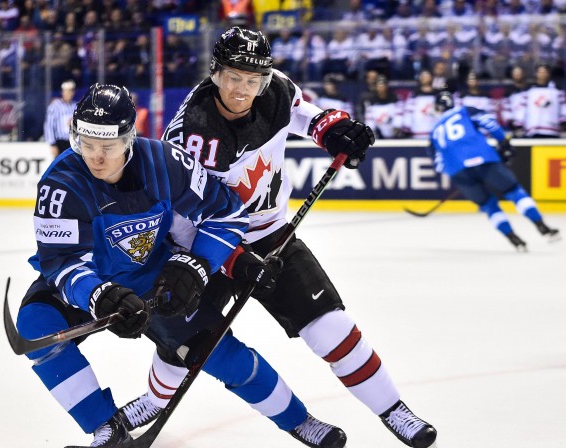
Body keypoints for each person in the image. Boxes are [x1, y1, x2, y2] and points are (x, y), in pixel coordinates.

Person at [121, 27, 438, 448]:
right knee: (184, 342)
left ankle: (394, 409)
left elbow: (306, 114)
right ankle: (153, 400)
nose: (243, 90)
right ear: (215, 73)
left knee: (331, 327)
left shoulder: (277, 91)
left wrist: (335, 130)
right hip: (205, 249)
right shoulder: (189, 134)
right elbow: (181, 215)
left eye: (253, 81)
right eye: (234, 77)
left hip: (272, 237)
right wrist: (227, 259)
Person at [16, 84, 347, 447]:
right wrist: (99, 294)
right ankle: (107, 429)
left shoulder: (165, 162)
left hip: (153, 278)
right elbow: (61, 261)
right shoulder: (60, 183)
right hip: (93, 281)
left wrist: (195, 264)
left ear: (129, 139)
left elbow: (227, 213)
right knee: (35, 327)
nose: (96, 157)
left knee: (217, 353)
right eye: (86, 144)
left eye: (108, 147)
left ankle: (300, 421)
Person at [429, 91, 560, 251]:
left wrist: (458, 172)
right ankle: (542, 226)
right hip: (483, 159)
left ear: (437, 108)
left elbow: (439, 164)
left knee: (489, 206)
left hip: (459, 171)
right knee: (513, 191)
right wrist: (503, 143)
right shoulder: (465, 111)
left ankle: (515, 240)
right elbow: (489, 123)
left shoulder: (434, 131)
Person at [44, 79, 77, 157]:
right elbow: (49, 125)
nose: (68, 93)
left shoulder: (76, 106)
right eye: (66, 91)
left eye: (70, 91)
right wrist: (52, 144)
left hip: (73, 142)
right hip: (60, 142)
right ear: (62, 92)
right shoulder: (55, 106)